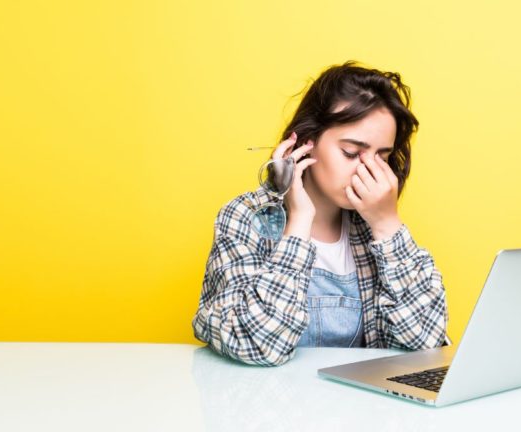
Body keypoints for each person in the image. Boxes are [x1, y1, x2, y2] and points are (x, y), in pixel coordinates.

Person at [192, 60, 451, 366]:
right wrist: (300, 220)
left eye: (382, 156)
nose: (368, 169)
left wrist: (387, 224)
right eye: (351, 153)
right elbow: (258, 344)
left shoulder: (374, 228)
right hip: (268, 408)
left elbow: (426, 343)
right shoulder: (245, 218)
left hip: (359, 409)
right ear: (307, 143)